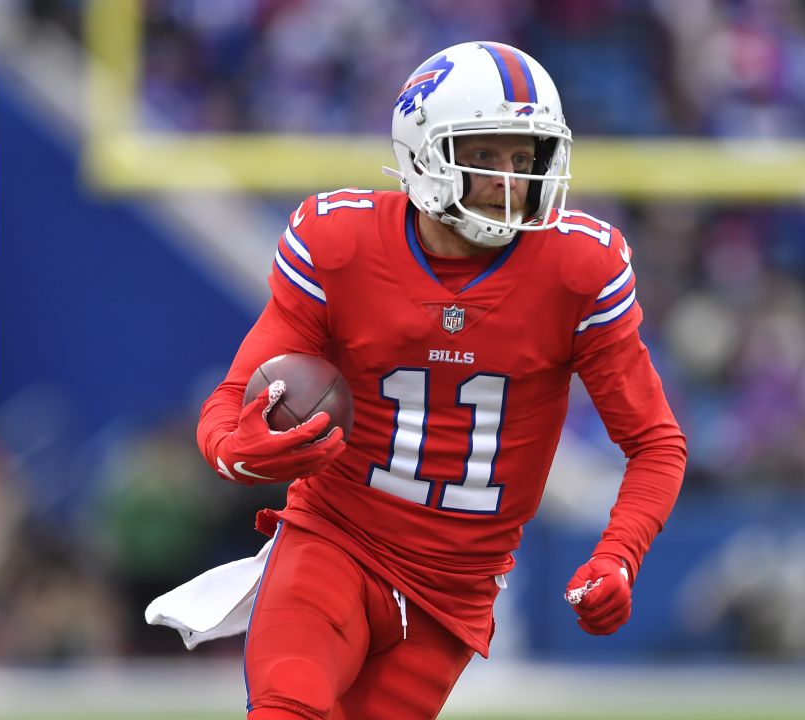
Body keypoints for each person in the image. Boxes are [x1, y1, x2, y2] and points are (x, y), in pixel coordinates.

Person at [192, 41, 685, 719]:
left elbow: (656, 445)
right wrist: (233, 448)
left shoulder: (578, 270)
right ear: (423, 154)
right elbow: (230, 399)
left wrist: (619, 557)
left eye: (524, 158)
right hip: (335, 542)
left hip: (452, 596)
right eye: (484, 156)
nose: (510, 180)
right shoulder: (340, 245)